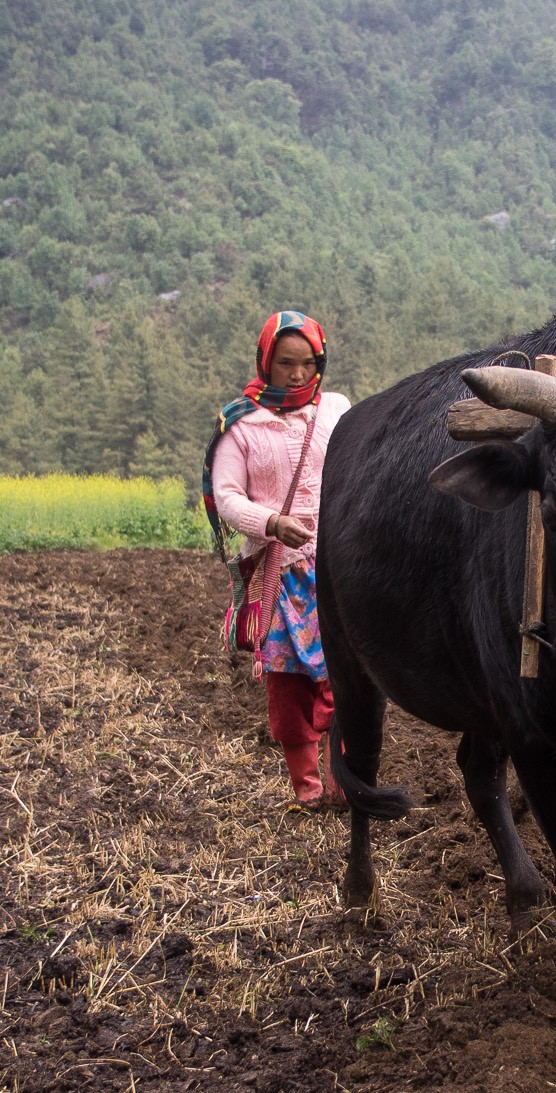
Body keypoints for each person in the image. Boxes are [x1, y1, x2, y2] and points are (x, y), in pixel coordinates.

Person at [208, 312, 350, 810]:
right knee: (289, 684)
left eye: (307, 363)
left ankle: (342, 786)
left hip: (338, 568)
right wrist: (271, 523)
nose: (296, 375)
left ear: (320, 361)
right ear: (265, 362)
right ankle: (308, 790)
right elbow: (226, 497)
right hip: (282, 574)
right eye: (285, 363)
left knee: (344, 678)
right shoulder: (240, 425)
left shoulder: (335, 411)